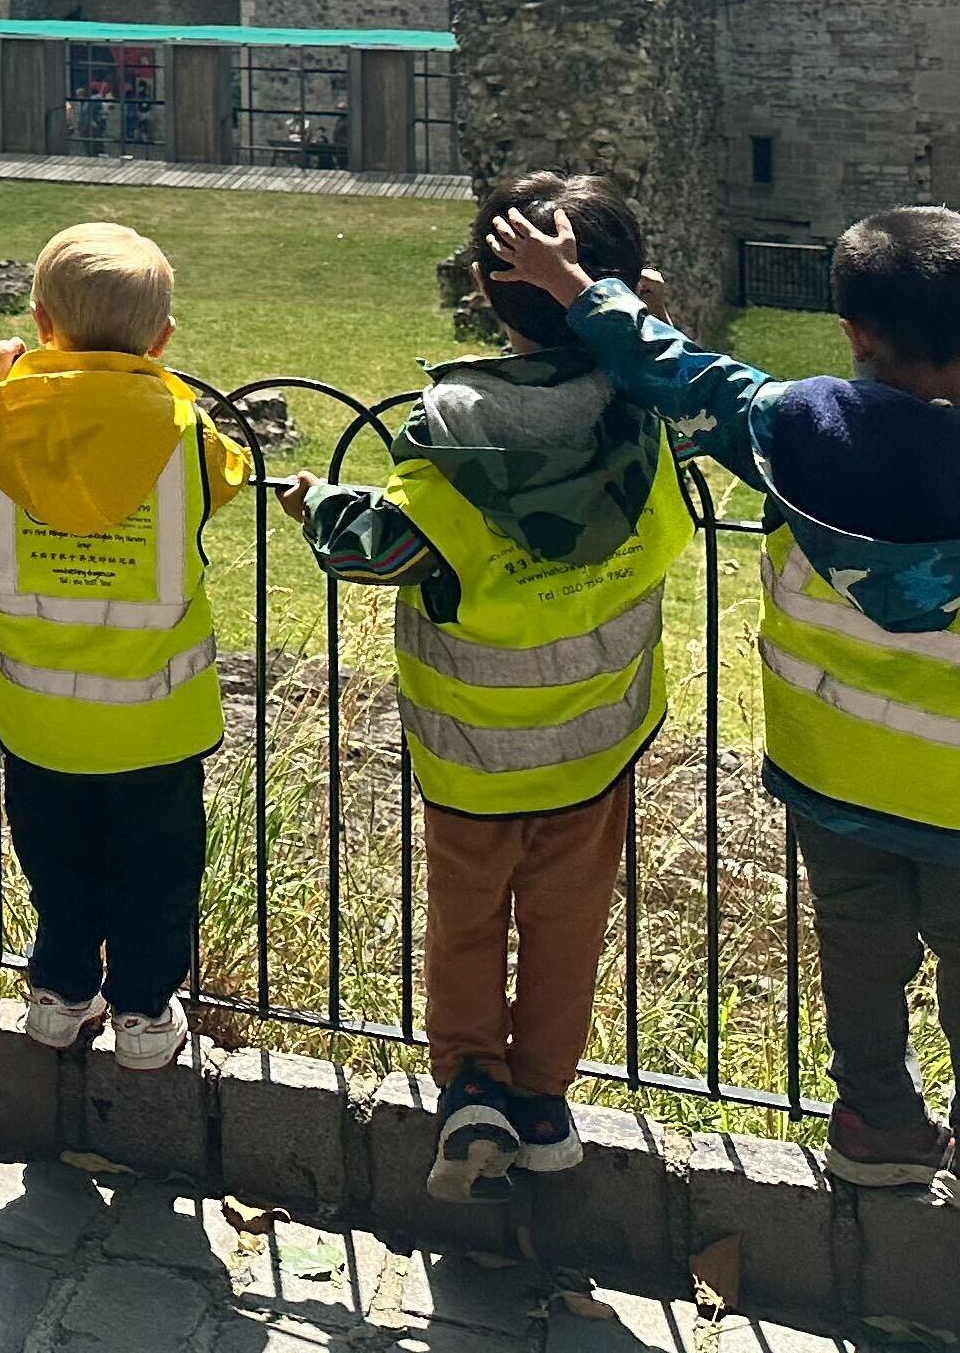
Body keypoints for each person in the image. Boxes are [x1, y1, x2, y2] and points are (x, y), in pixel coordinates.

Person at [485, 200, 960, 1228]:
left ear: (852, 333)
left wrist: (571, 285)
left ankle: (874, 1122)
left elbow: (671, 369)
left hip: (833, 761)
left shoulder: (790, 429)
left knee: (857, 939)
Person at [282, 176, 693, 1197]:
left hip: (471, 751)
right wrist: (639, 324)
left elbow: (384, 549)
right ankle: (545, 1101)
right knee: (567, 922)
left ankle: (471, 1083)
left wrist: (317, 505)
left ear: (480, 287)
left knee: (466, 918)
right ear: (626, 289)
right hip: (594, 747)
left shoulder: (455, 434)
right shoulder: (646, 421)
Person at [0, 221, 249, 1071]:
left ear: (40, 322)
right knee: (158, 878)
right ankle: (145, 1015)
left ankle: (58, 996)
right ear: (164, 339)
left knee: (58, 872)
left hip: (38, 718)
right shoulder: (184, 433)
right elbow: (234, 475)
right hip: (158, 721)